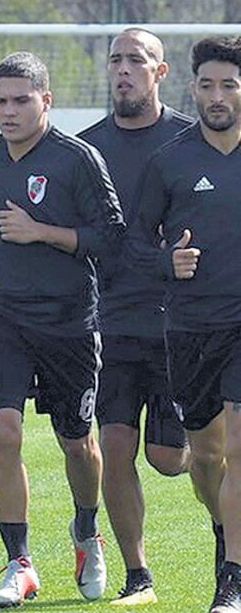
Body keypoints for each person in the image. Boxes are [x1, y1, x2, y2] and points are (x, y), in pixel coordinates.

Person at [0, 52, 125, 608]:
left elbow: (112, 239)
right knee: (3, 432)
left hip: (69, 320)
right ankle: (18, 562)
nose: (9, 111)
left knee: (77, 443)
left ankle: (87, 532)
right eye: (0, 101)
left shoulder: (78, 159)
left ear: (47, 100)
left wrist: (41, 232)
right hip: (2, 316)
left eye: (21, 100)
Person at [76, 28, 193, 606]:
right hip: (108, 324)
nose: (124, 70)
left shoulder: (192, 142)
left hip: (180, 325)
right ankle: (137, 574)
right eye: (116, 61)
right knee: (115, 445)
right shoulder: (85, 149)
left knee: (169, 460)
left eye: (136, 61)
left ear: (160, 71)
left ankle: (227, 541)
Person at [126, 36, 241, 613]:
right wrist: (166, 262)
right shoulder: (168, 161)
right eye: (206, 85)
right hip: (193, 328)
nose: (216, 96)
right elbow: (135, 242)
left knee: (240, 451)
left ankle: (232, 581)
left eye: (228, 85)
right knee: (207, 459)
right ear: (191, 88)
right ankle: (226, 534)